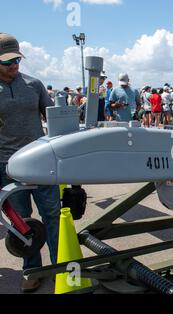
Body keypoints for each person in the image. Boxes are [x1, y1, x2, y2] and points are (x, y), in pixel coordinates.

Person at [0, 33, 60, 293]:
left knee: (53, 216)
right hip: (8, 167)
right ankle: (32, 270)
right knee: (22, 223)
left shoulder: (34, 85)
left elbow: (55, 120)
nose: (14, 65)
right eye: (7, 62)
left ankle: (62, 267)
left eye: (16, 60)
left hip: (42, 165)